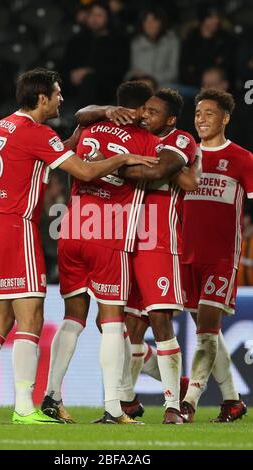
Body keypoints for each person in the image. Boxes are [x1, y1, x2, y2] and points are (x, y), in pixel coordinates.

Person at [0, 68, 152, 425]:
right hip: (18, 227)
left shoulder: (4, 125)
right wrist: (122, 158)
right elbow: (86, 172)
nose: (62, 99)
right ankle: (23, 408)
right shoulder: (38, 133)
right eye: (58, 93)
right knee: (31, 318)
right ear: (42, 98)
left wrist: (76, 136)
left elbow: (44, 158)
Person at [41, 81, 189, 425]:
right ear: (138, 111)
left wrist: (96, 155)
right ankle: (112, 407)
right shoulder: (148, 141)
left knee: (73, 319)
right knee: (111, 324)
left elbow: (69, 142)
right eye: (147, 110)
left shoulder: (89, 125)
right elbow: (158, 172)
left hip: (72, 228)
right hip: (109, 235)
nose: (149, 115)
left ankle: (52, 395)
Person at [117, 89, 199, 424]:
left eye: (153, 112)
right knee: (126, 327)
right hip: (126, 241)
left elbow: (157, 172)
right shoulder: (137, 137)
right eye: (144, 110)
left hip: (160, 244)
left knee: (161, 321)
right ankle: (127, 401)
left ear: (170, 119)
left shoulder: (181, 140)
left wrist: (116, 166)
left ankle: (172, 407)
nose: (145, 115)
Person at [180, 88, 252, 423]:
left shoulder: (242, 159)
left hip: (222, 257)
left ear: (225, 118)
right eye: (198, 113)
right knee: (211, 333)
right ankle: (232, 401)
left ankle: (189, 402)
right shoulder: (184, 155)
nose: (201, 119)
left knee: (207, 330)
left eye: (209, 113)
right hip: (185, 255)